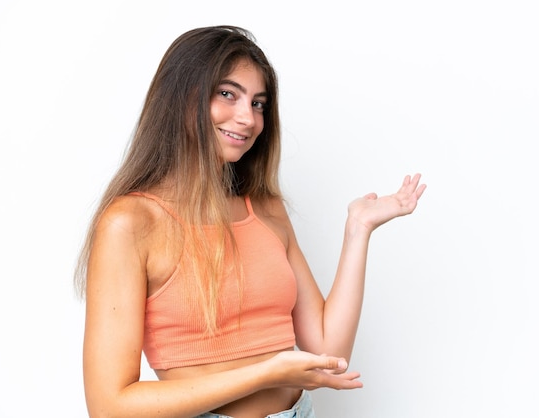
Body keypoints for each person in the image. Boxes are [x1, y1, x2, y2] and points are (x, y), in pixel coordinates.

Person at [74, 25, 426, 418]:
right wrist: (263, 374)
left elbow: (329, 354)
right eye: (228, 94)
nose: (248, 118)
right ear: (180, 98)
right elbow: (108, 407)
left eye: (258, 103)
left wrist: (358, 231)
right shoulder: (132, 222)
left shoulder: (266, 209)